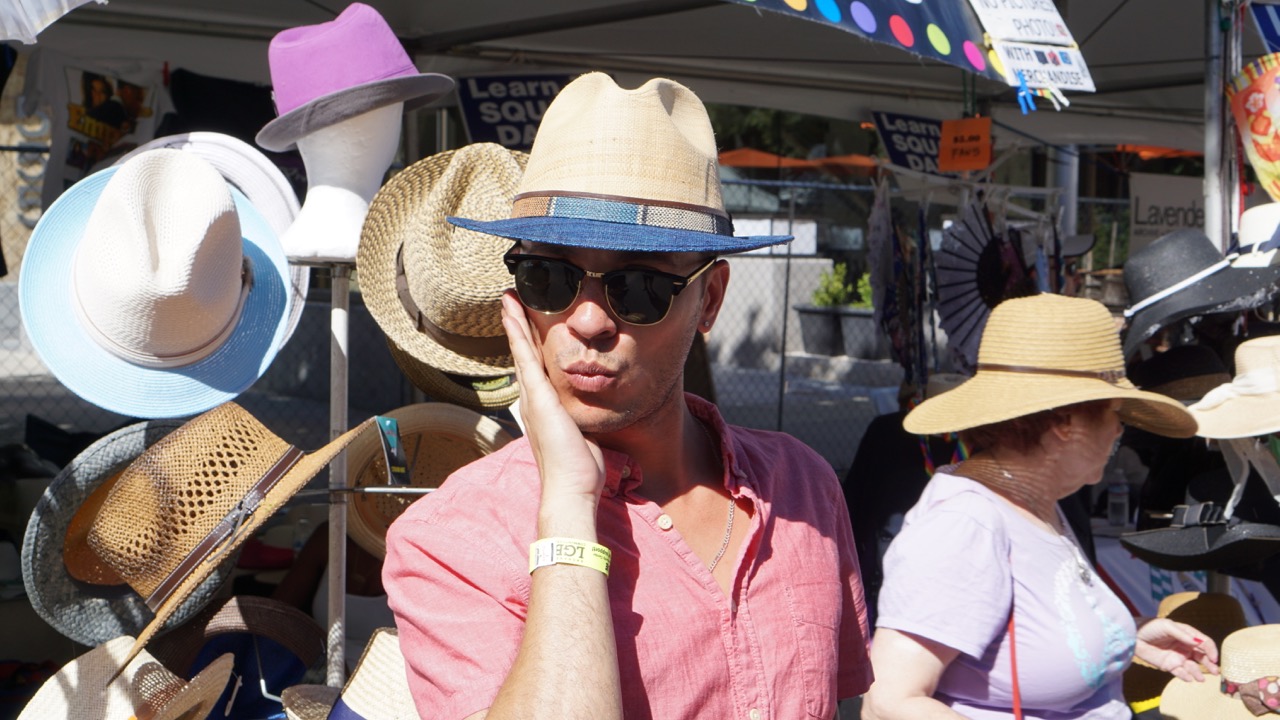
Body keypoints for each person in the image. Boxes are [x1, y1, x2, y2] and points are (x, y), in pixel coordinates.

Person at [382, 72, 873, 719]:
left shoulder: (802, 488)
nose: (587, 322)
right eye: (549, 277)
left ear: (712, 299)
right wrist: (567, 508)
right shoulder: (454, 539)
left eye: (639, 286)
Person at [862, 293, 1219, 720]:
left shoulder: (1034, 502)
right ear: (1065, 424)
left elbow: (1033, 632)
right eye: (1114, 412)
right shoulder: (965, 525)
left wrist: (1127, 636)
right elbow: (889, 703)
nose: (1119, 429)